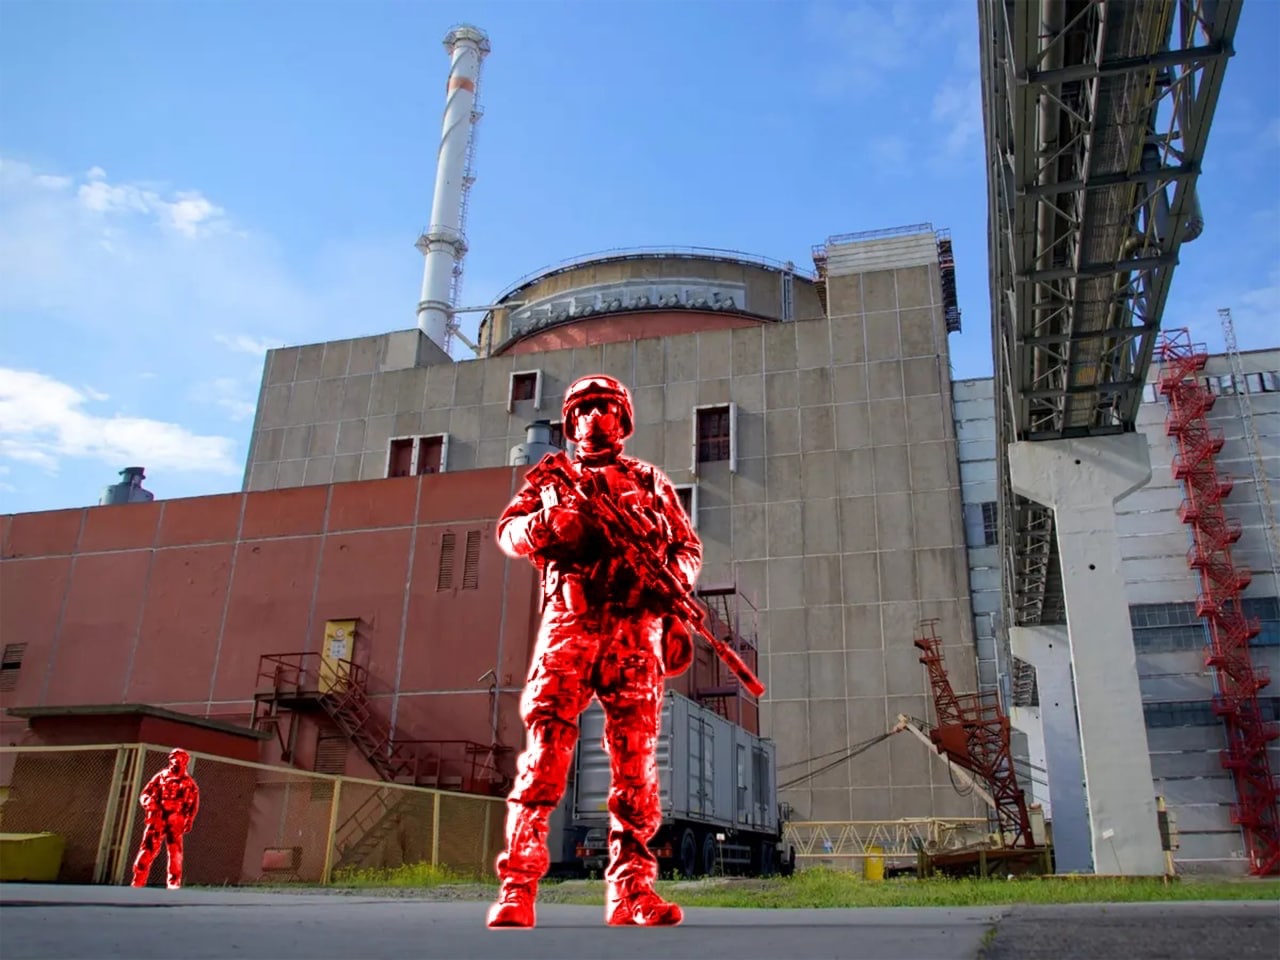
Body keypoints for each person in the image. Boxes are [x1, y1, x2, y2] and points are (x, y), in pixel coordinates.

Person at [487, 374, 702, 929]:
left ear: (623, 420)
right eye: (584, 409)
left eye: (606, 408)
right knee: (546, 752)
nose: (595, 418)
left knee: (636, 765)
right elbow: (508, 532)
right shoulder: (553, 479)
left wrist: (671, 588)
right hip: (571, 625)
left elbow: (686, 547)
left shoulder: (649, 481)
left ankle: (632, 891)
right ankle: (518, 887)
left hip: (633, 630)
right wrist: (547, 523)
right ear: (570, 422)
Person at [131, 748, 200, 890]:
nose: (177, 761)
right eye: (175, 757)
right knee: (148, 849)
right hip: (158, 817)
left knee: (175, 853)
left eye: (181, 758)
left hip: (176, 819)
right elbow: (145, 794)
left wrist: (189, 819)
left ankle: (173, 885)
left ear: (185, 762)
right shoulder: (161, 777)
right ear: (170, 759)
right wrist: (151, 804)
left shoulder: (189, 783)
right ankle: (138, 882)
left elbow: (194, 803)